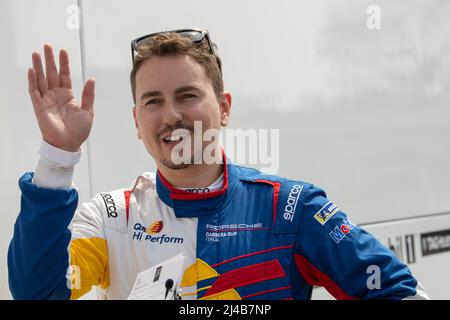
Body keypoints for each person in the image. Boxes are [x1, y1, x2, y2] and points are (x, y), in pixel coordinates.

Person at [8, 29, 429, 300]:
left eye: (187, 95)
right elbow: (37, 294)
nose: (171, 115)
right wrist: (57, 160)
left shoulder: (290, 208)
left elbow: (399, 292)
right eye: (153, 101)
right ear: (137, 122)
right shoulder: (110, 218)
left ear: (224, 109)